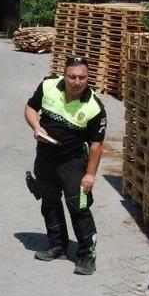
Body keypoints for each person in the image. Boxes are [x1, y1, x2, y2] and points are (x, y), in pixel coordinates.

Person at [23, 57, 106, 275]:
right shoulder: (48, 86)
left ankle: (87, 255)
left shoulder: (94, 106)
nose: (77, 82)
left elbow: (97, 145)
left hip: (73, 161)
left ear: (88, 77)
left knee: (78, 207)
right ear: (64, 75)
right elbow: (30, 108)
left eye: (82, 77)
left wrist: (90, 175)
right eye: (72, 77)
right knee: (49, 201)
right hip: (45, 157)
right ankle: (57, 246)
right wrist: (36, 126)